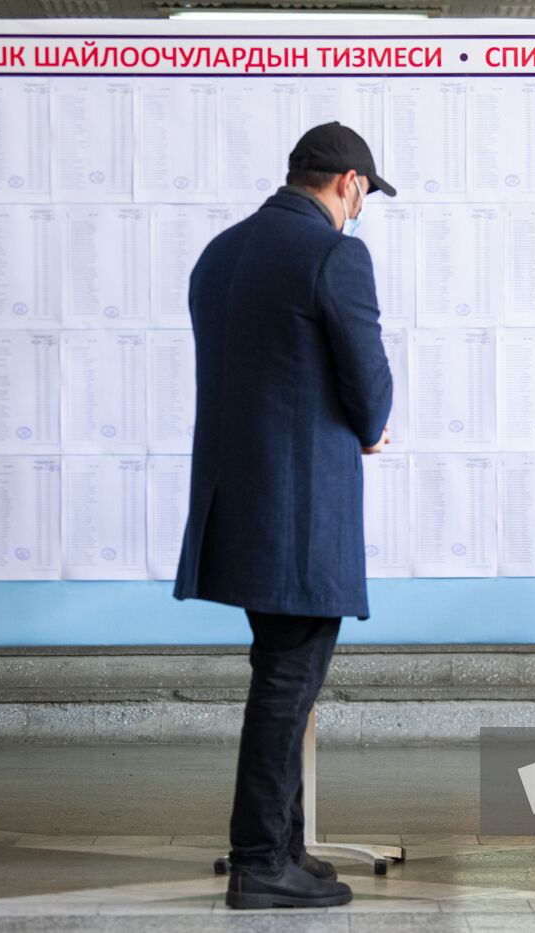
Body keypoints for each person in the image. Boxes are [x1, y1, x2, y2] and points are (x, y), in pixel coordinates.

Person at [173, 122, 396, 910]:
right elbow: (368, 378)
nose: (360, 209)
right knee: (287, 683)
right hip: (301, 511)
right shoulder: (336, 254)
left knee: (280, 674)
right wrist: (372, 427)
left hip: (236, 503)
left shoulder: (221, 252)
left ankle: (284, 849)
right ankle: (260, 859)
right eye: (364, 196)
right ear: (350, 184)